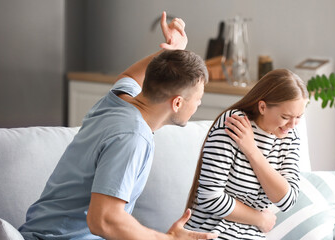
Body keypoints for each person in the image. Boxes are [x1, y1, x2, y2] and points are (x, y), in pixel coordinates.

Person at [19, 11, 217, 240]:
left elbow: (129, 76)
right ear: (177, 103)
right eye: (198, 98)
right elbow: (102, 220)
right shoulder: (132, 137)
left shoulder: (118, 100)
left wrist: (171, 52)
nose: (200, 103)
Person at [184, 69, 309, 239]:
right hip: (210, 232)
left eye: (299, 117)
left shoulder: (290, 137)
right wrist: (259, 219)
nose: (292, 124)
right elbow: (210, 197)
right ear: (262, 107)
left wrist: (252, 151)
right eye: (286, 116)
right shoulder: (234, 123)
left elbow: (287, 200)